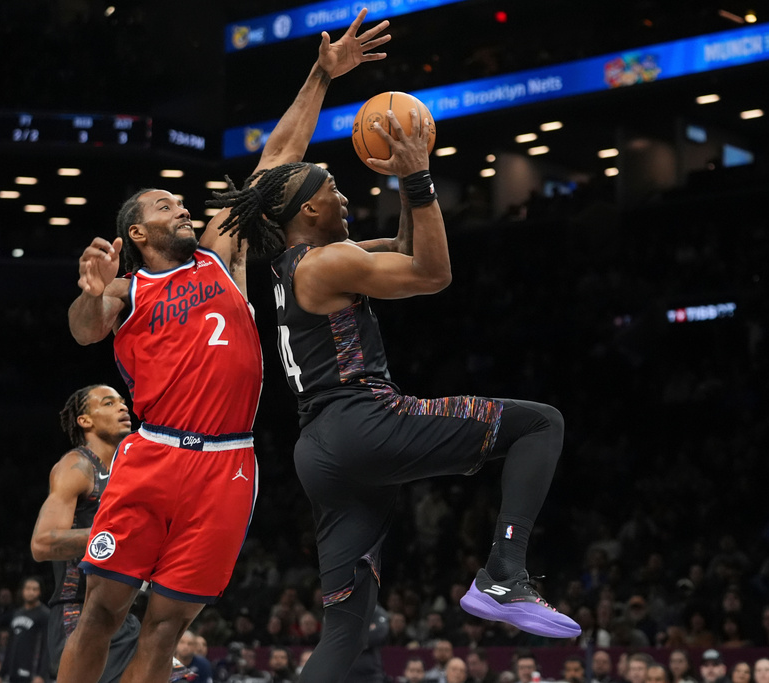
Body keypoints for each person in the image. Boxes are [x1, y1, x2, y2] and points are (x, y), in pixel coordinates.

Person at [206, 45, 578, 683]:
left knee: (347, 633)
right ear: (307, 213)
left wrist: (337, 90)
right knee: (540, 424)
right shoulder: (327, 262)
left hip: (320, 450)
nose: (346, 198)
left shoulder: (306, 262)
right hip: (364, 420)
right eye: (335, 192)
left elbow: (406, 245)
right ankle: (503, 576)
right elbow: (433, 274)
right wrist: (418, 179)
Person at [56, 10, 390, 683]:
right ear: (137, 233)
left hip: (229, 465)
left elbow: (276, 160)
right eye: (163, 205)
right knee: (103, 611)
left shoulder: (220, 255)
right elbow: (85, 328)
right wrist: (93, 294)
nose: (180, 207)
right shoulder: (128, 287)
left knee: (166, 626)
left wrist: (321, 75)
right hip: (153, 453)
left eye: (180, 201)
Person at [30, 384, 140, 681]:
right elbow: (43, 543)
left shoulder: (131, 469)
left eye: (122, 401)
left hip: (121, 613)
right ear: (85, 420)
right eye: (108, 403)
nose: (122, 407)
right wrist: (114, 538)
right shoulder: (77, 465)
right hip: (78, 613)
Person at [1, 578, 49, 683]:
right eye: (27, 588)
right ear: (22, 591)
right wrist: (2, 674)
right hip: (13, 670)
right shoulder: (17, 613)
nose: (30, 592)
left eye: (34, 589)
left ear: (39, 592)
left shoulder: (45, 614)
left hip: (32, 673)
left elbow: (47, 646)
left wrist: (41, 675)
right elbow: (10, 645)